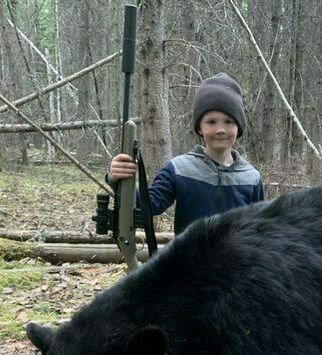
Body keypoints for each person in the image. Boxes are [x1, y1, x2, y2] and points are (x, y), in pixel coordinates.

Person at [107, 73, 264, 234]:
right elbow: (149, 205)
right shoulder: (179, 169)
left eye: (229, 122)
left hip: (237, 259)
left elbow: (260, 230)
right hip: (188, 259)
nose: (220, 130)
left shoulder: (251, 178)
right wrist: (117, 179)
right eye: (211, 122)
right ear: (199, 128)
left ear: (239, 127)